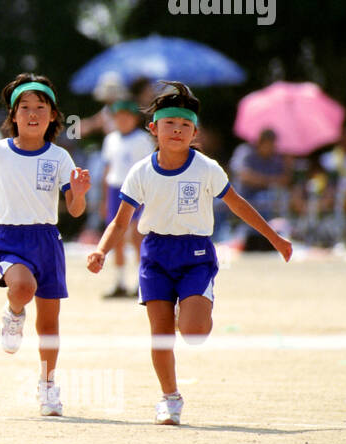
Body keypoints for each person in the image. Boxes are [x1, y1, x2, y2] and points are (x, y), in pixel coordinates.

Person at [87, 82, 292, 425]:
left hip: (195, 253)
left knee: (195, 332)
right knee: (160, 335)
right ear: (153, 129)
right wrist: (101, 250)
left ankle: (193, 300)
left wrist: (275, 238)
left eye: (185, 125)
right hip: (155, 255)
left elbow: (238, 205)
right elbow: (120, 222)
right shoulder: (141, 172)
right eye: (170, 124)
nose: (177, 131)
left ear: (195, 132)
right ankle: (170, 399)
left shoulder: (207, 168)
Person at [0, 74, 89, 417]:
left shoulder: (60, 158)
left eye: (41, 107)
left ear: (53, 115)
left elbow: (75, 209)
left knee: (50, 323)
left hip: (48, 240)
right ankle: (13, 313)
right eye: (24, 108)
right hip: (10, 237)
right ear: (12, 115)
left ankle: (48, 385)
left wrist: (80, 193)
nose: (33, 114)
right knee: (23, 288)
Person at [97, 99, 154, 298]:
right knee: (116, 237)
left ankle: (142, 281)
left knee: (138, 236)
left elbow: (149, 169)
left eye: (126, 116)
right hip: (115, 188)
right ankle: (120, 281)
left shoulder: (142, 139)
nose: (122, 120)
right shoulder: (110, 139)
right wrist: (104, 199)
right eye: (118, 116)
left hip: (137, 189)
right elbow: (107, 169)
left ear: (134, 119)